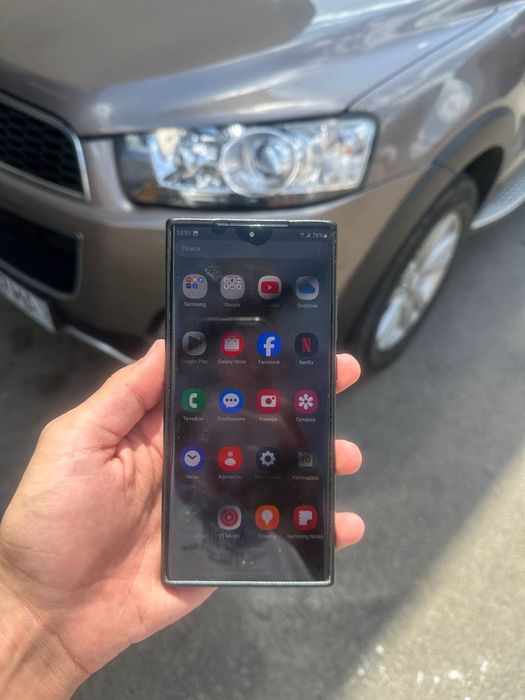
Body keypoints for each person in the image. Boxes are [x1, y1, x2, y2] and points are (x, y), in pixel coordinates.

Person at [0, 341, 364, 699]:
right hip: (211, 524)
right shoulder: (206, 417)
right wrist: (25, 599)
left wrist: (26, 607)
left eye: (265, 358)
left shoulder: (275, 419)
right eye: (239, 356)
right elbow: (198, 482)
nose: (252, 366)